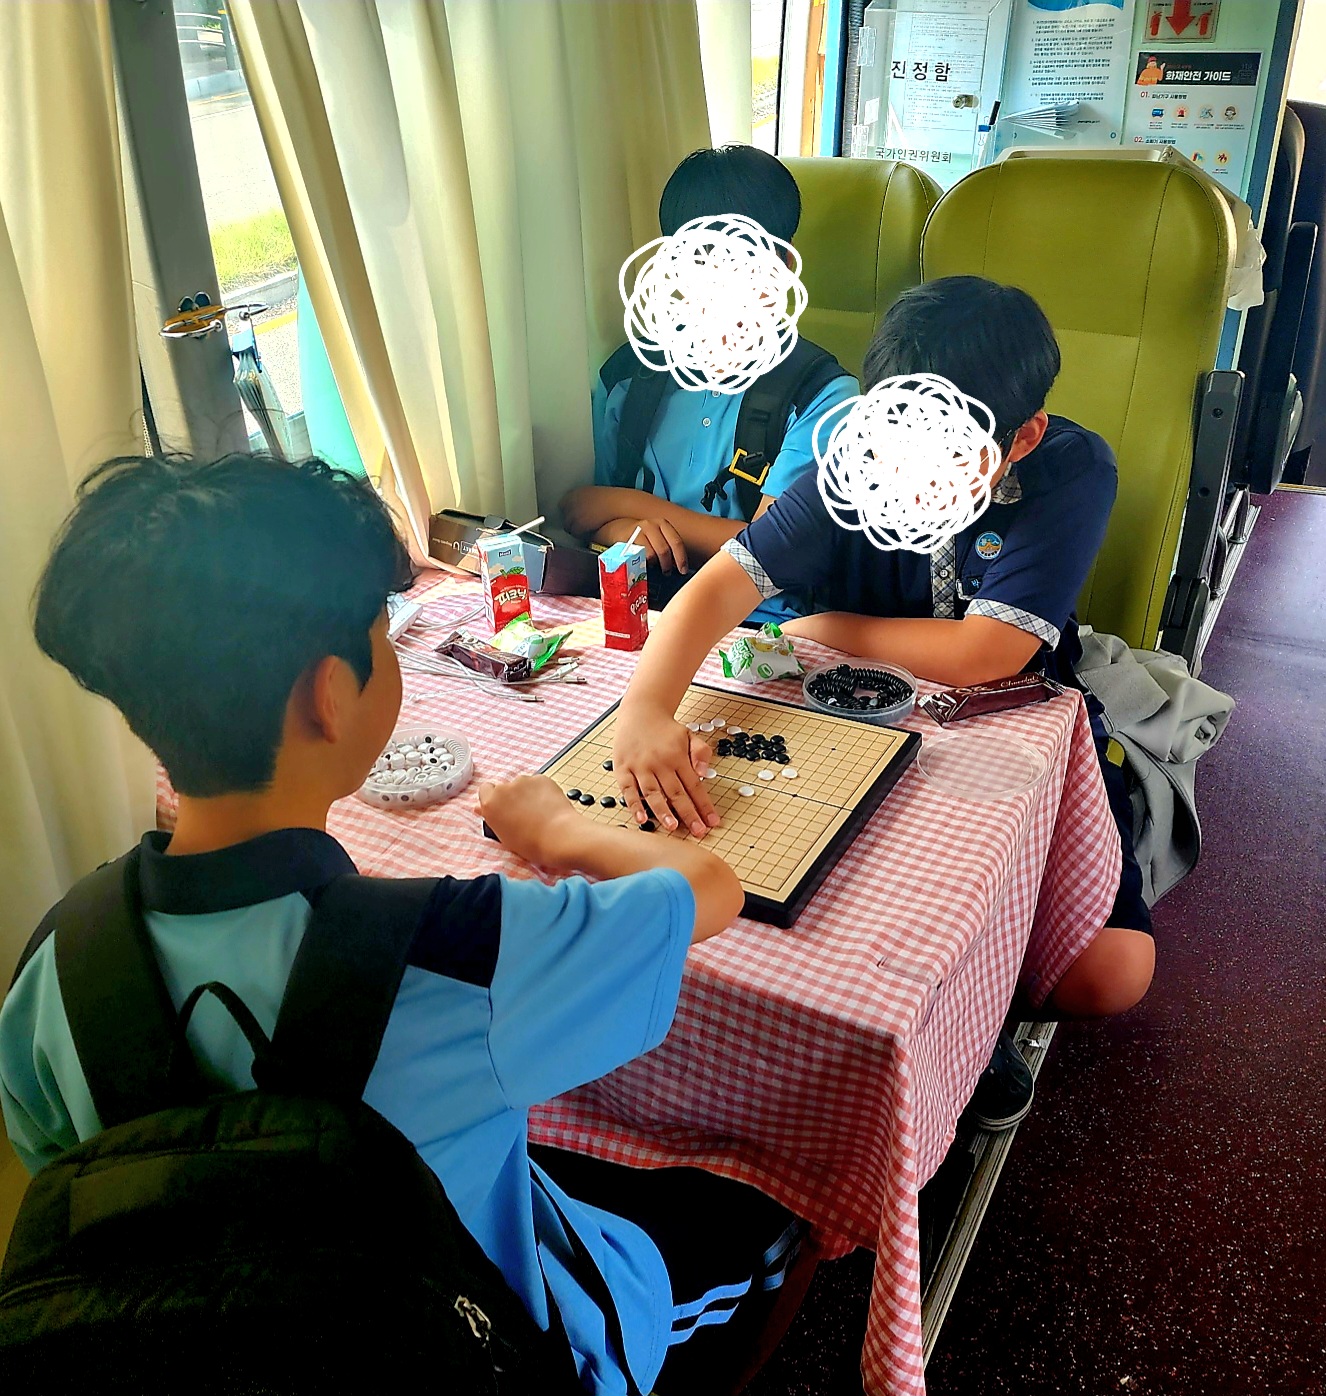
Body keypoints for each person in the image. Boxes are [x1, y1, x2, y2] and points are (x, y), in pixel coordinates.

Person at [0, 454, 802, 1396]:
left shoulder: (54, 964)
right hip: (471, 1343)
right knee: (759, 1210)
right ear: (328, 695)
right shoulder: (456, 952)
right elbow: (708, 888)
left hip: (191, 1352)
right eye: (384, 631)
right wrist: (559, 831)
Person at [608, 276, 1156, 1043]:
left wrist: (827, 626)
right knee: (812, 914)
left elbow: (988, 653)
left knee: (1111, 972)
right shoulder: (848, 460)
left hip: (1004, 713)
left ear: (1023, 440)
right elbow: (718, 589)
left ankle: (972, 1024)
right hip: (853, 713)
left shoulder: (1070, 468)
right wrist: (643, 710)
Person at [561, 144, 859, 622]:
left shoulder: (822, 396)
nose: (720, 283)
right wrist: (618, 527)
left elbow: (776, 550)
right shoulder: (626, 376)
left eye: (742, 263)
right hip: (634, 606)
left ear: (783, 267)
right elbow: (579, 510)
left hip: (759, 626)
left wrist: (630, 508)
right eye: (700, 261)